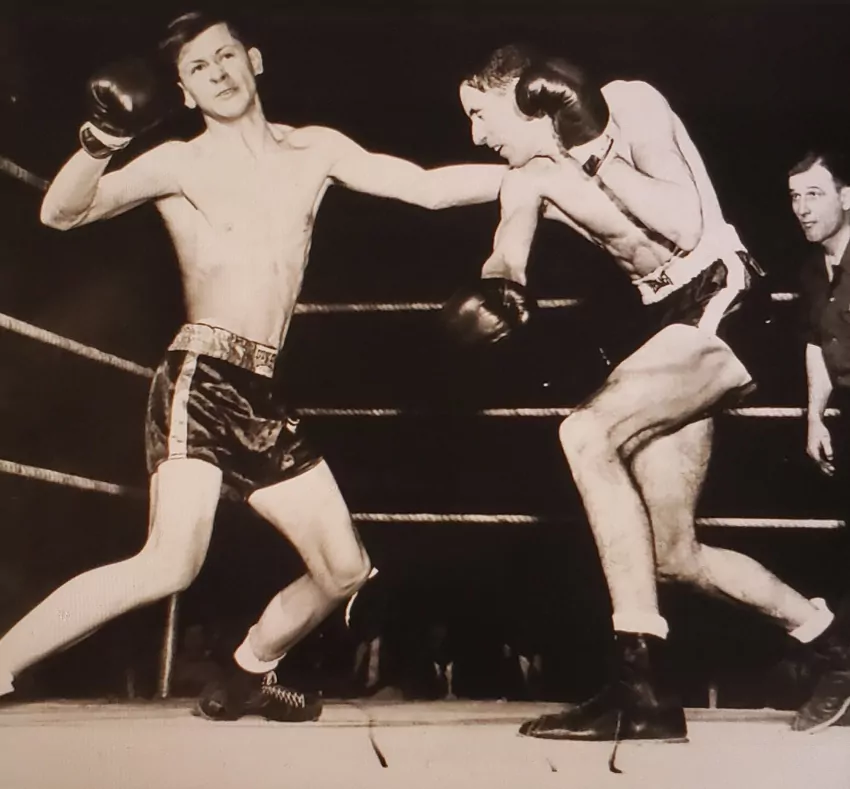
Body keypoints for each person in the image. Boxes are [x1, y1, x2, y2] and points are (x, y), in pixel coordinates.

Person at [0, 12, 506, 722]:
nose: (219, 73)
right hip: (200, 378)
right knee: (169, 562)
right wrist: (102, 138)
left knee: (345, 569)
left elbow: (422, 186)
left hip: (263, 387)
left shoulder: (314, 149)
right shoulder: (180, 160)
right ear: (182, 92)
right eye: (199, 68)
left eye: (226, 55)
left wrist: (534, 172)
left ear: (254, 59)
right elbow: (61, 213)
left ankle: (248, 669)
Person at [443, 43, 846, 745]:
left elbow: (686, 225)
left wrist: (594, 144)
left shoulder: (629, 103)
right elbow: (509, 241)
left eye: (481, 114)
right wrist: (501, 285)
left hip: (726, 295)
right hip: (671, 322)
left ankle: (640, 686)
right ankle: (831, 643)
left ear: (521, 93)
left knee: (585, 432)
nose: (478, 134)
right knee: (672, 553)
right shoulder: (530, 176)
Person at [788, 149, 850, 733]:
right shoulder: (813, 271)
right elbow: (816, 344)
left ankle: (842, 669)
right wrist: (815, 417)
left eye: (814, 194)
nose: (803, 209)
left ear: (846, 197)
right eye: (795, 197)